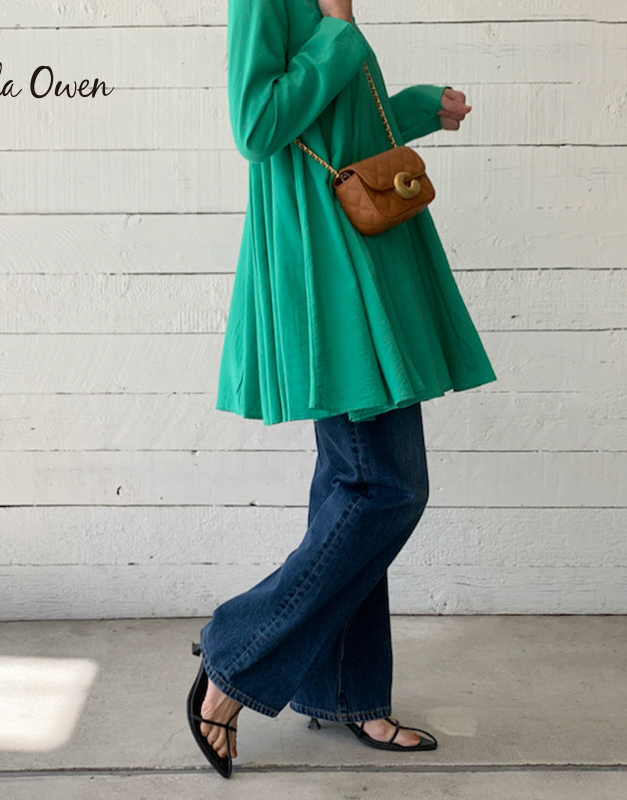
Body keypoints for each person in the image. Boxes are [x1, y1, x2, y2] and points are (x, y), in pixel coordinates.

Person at [186, 0, 496, 778]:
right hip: (328, 276)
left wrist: (415, 107)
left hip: (360, 263)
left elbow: (336, 126)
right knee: (383, 488)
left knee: (349, 492)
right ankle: (236, 653)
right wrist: (336, 30)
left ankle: (344, 693)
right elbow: (257, 125)